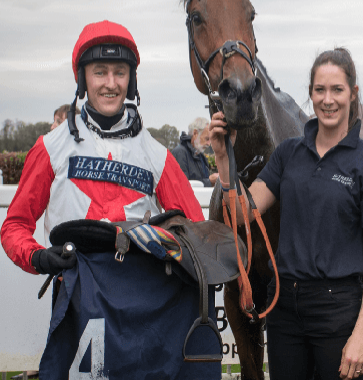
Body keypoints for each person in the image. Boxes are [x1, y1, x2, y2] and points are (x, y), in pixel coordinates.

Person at [0, 20, 217, 379]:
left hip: (143, 309)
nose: (110, 83)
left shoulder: (157, 155)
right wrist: (39, 257)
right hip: (78, 301)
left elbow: (196, 235)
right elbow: (15, 226)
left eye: (120, 72)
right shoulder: (49, 149)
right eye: (100, 72)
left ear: (131, 80)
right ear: (82, 79)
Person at [209, 48, 363, 380]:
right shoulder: (288, 154)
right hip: (285, 309)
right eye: (320, 90)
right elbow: (242, 214)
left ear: (353, 94)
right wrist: (224, 160)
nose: (328, 100)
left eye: (337, 90)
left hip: (339, 309)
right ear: (310, 94)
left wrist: (361, 334)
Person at [172, 117, 219, 186]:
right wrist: (209, 181)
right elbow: (182, 186)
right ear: (195, 133)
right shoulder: (180, 153)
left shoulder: (201, 156)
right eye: (207, 139)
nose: (208, 144)